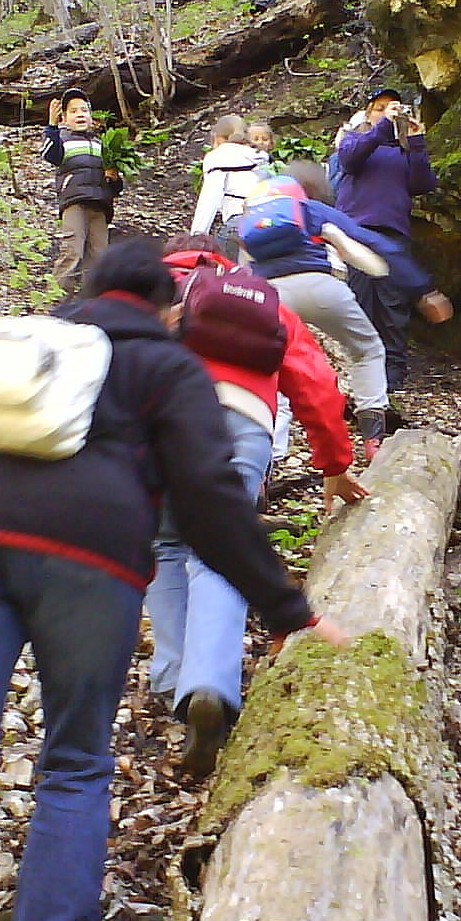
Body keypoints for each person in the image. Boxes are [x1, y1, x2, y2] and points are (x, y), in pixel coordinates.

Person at [0, 237, 346, 921]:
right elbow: (211, 501)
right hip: (88, 561)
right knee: (75, 763)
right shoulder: (167, 364)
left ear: (87, 292)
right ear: (170, 307)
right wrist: (289, 611)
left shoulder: (30, 339)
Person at [149, 233, 367, 778]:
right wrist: (334, 464)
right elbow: (315, 381)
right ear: (225, 256)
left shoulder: (147, 291)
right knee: (219, 550)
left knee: (164, 544)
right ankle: (210, 684)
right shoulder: (259, 296)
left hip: (159, 419)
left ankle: (176, 680)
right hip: (244, 424)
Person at [238, 162, 394, 462]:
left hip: (273, 295)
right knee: (366, 349)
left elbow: (244, 268)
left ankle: (269, 453)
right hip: (323, 287)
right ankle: (372, 436)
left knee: (274, 364)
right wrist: (380, 269)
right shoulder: (310, 211)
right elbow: (350, 247)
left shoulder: (250, 223)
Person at [335, 88, 453, 391]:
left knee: (392, 306)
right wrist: (383, 125)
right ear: (367, 113)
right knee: (358, 301)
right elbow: (349, 159)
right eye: (379, 107)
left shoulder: (401, 151)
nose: (387, 112)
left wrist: (416, 141)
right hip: (354, 232)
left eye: (393, 108)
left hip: (393, 233)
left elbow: (422, 183)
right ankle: (357, 371)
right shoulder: (354, 139)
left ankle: (393, 374)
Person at [41, 88, 123, 295]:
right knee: (71, 250)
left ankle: (93, 300)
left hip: (101, 205)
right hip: (74, 201)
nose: (80, 115)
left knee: (99, 255)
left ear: (91, 116)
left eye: (84, 111)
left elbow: (116, 187)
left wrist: (113, 178)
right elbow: (49, 154)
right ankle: (58, 297)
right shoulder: (63, 140)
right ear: (65, 118)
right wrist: (51, 125)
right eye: (74, 111)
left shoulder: (100, 144)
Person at [190, 115, 268, 246]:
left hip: (240, 223)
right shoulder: (261, 157)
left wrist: (196, 237)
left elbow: (210, 197)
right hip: (269, 223)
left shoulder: (219, 157)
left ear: (217, 137)